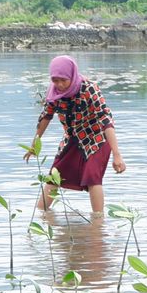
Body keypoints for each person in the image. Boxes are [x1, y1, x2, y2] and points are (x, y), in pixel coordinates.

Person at [24, 55, 126, 214]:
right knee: (54, 176)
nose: (59, 85)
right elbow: (46, 117)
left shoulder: (89, 88)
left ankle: (97, 223)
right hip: (72, 139)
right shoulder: (53, 93)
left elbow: (105, 119)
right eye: (55, 80)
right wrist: (33, 145)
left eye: (63, 80)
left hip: (96, 138)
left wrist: (117, 154)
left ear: (71, 75)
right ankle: (40, 215)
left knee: (93, 177)